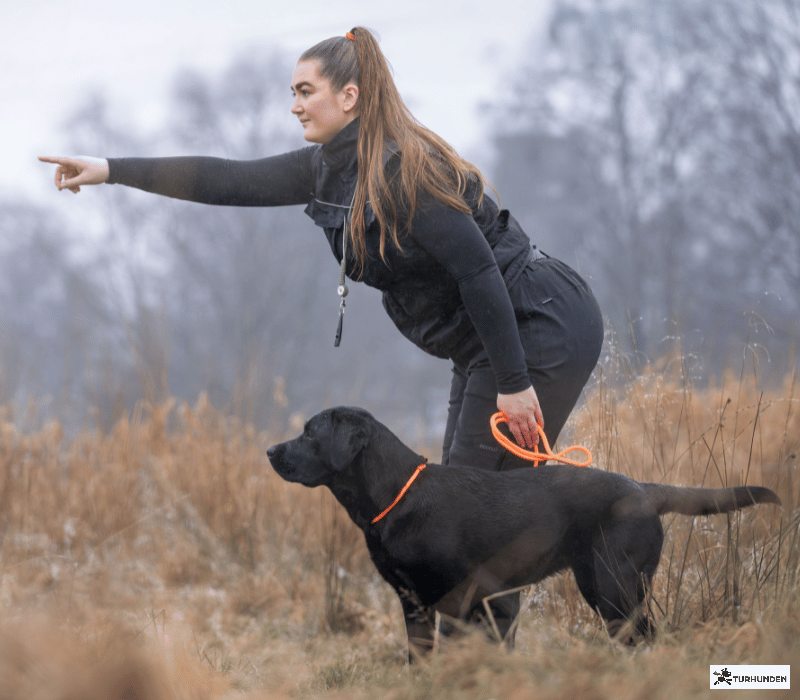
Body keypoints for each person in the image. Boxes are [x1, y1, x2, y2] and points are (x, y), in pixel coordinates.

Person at [41, 26, 603, 641]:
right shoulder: (329, 169)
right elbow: (223, 179)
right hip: (484, 343)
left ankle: (477, 673)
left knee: (469, 516)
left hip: (534, 322)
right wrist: (111, 170)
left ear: (350, 96)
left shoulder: (403, 170)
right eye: (293, 92)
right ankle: (480, 672)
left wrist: (517, 384)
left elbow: (478, 271)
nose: (295, 104)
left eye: (306, 90)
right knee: (467, 504)